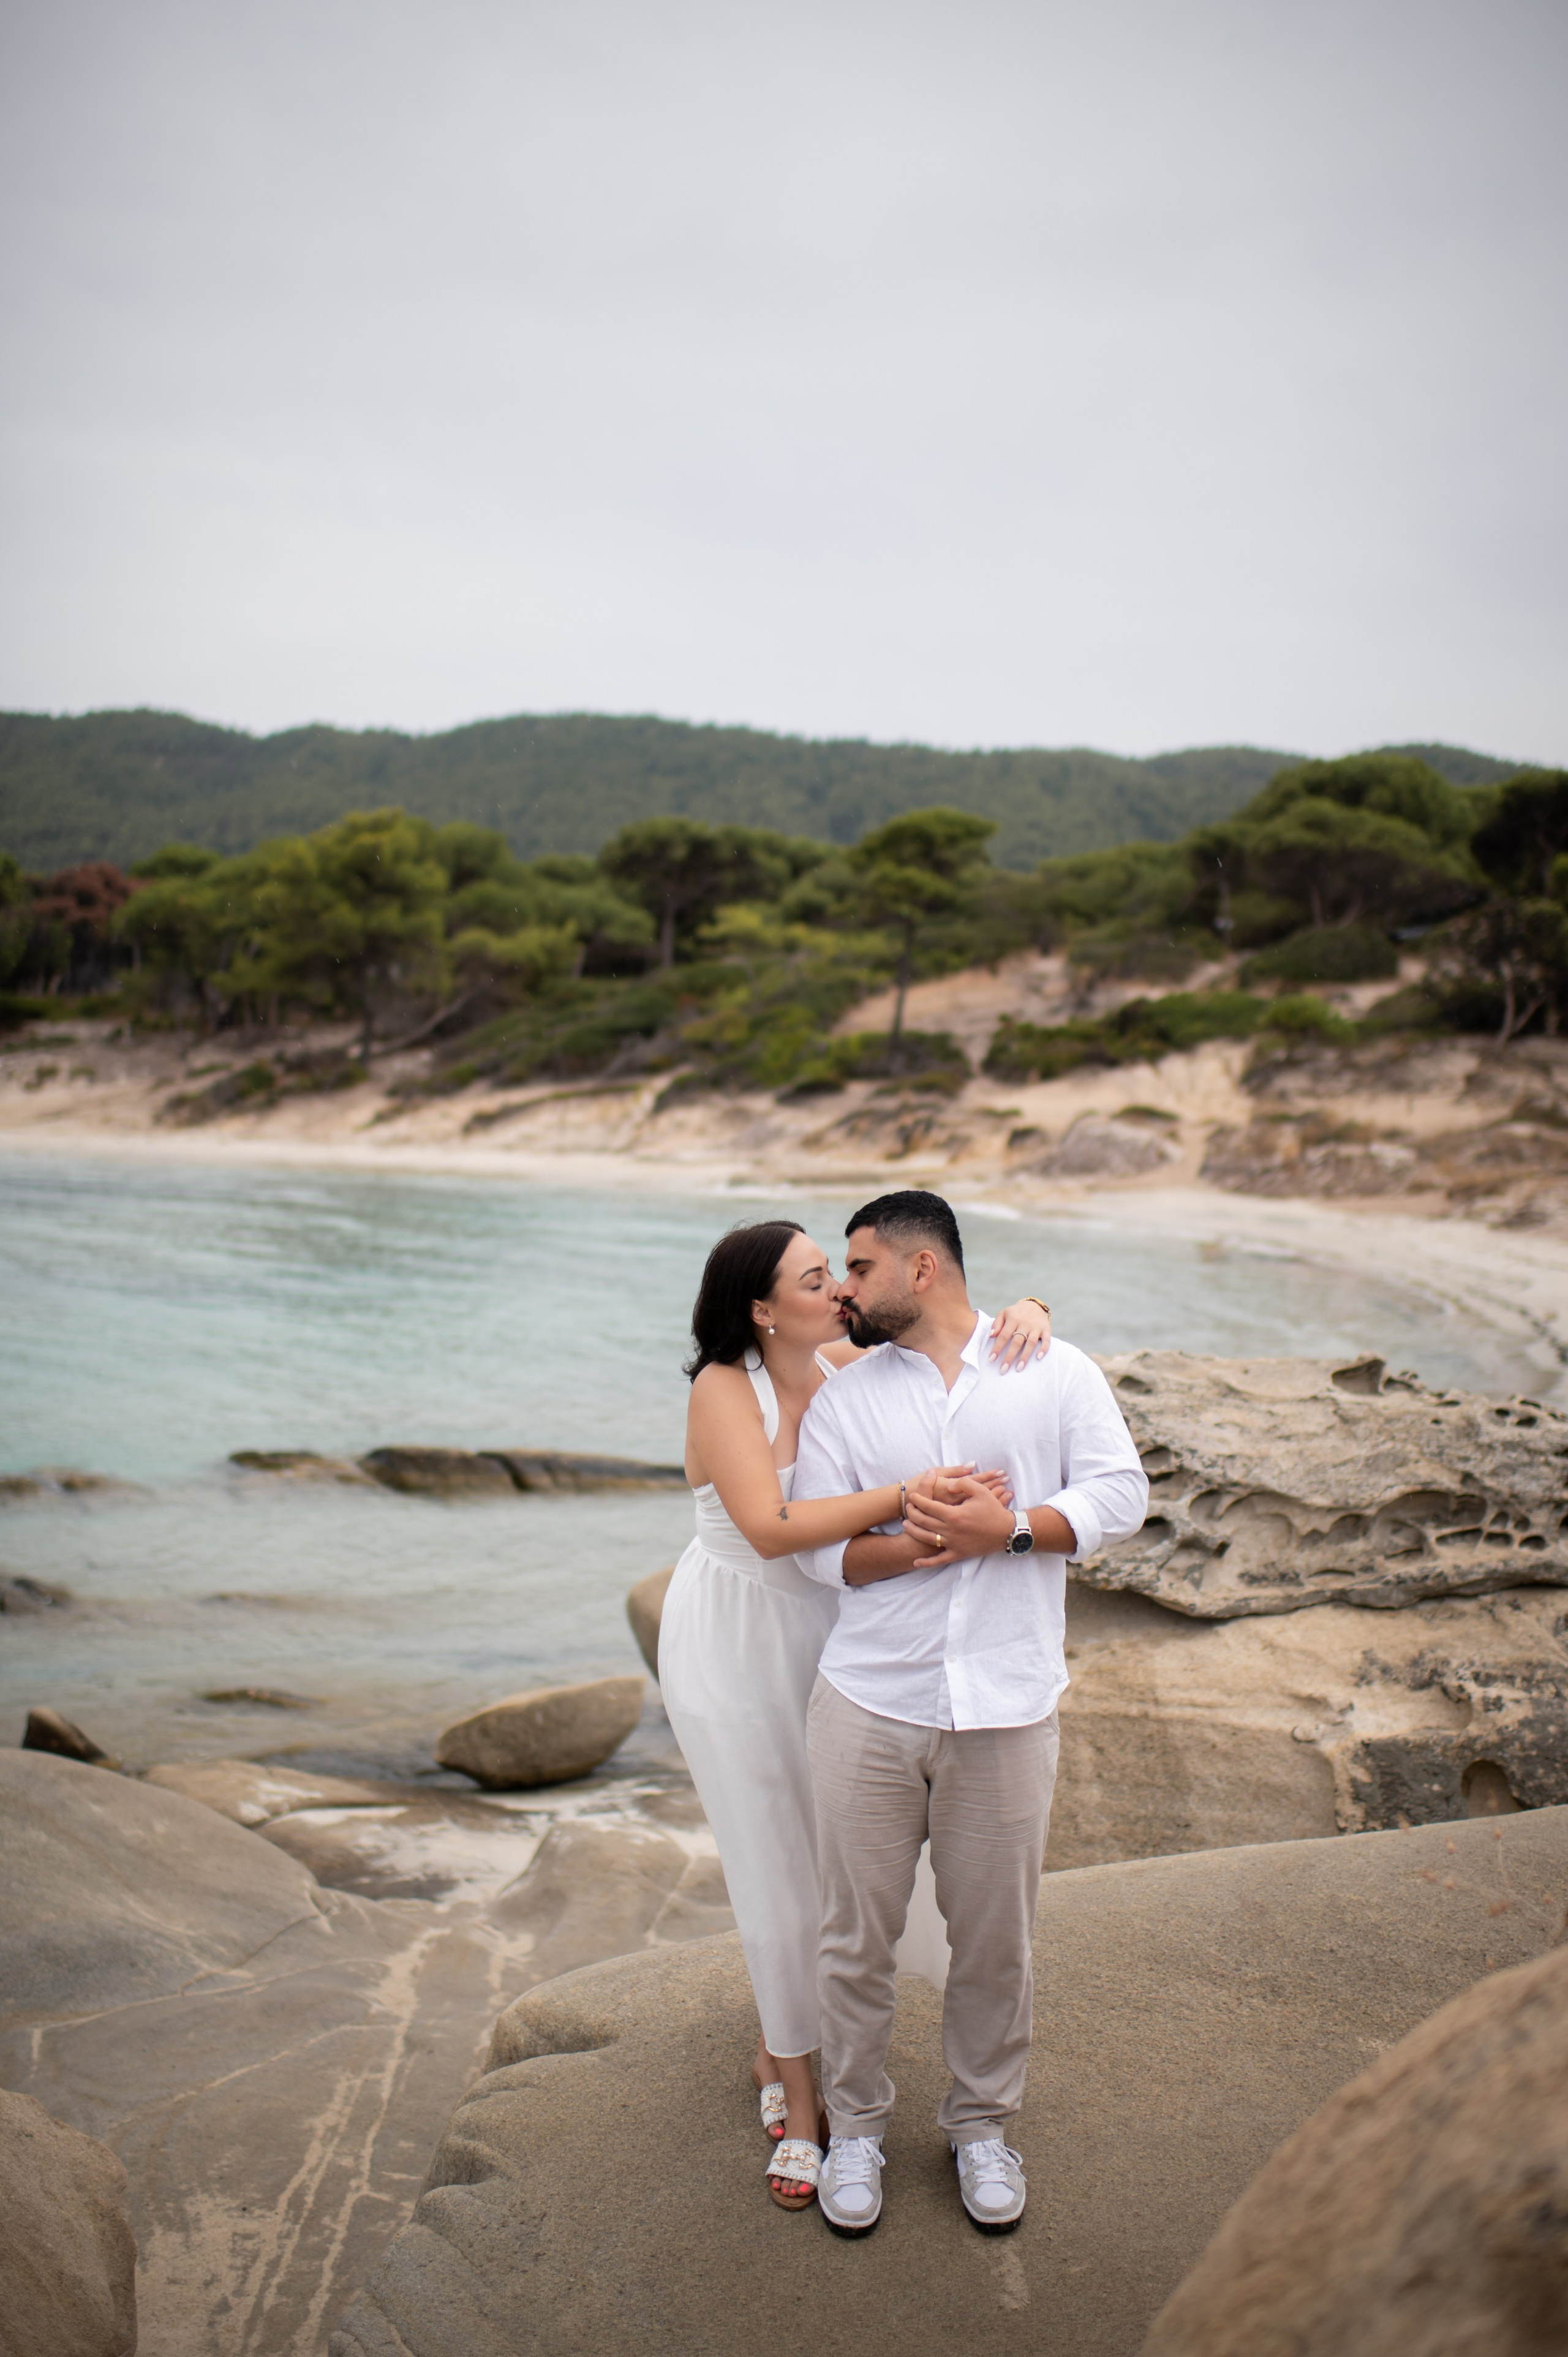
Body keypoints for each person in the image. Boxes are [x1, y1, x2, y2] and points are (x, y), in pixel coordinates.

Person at [658, 1220, 1052, 2211]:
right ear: (759, 1308)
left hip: (832, 1630)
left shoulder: (839, 1362)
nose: (837, 1287)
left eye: (836, 1269)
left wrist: (1032, 1313)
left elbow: (939, 1321)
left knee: (842, 1861)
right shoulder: (722, 1387)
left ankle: (785, 2039)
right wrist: (908, 1493)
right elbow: (773, 1527)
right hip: (737, 1637)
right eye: (813, 1275)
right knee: (772, 1861)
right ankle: (798, 2097)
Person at [791, 1190, 1148, 2236]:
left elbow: (1120, 1495)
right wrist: (926, 1537)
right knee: (854, 1935)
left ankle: (981, 2128)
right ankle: (855, 2129)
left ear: (922, 1270)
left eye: (858, 1269)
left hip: (1007, 1701)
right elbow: (820, 1552)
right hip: (868, 1699)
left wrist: (1015, 1531)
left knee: (996, 1938)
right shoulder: (848, 1401)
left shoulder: (1057, 1367)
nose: (845, 1289)